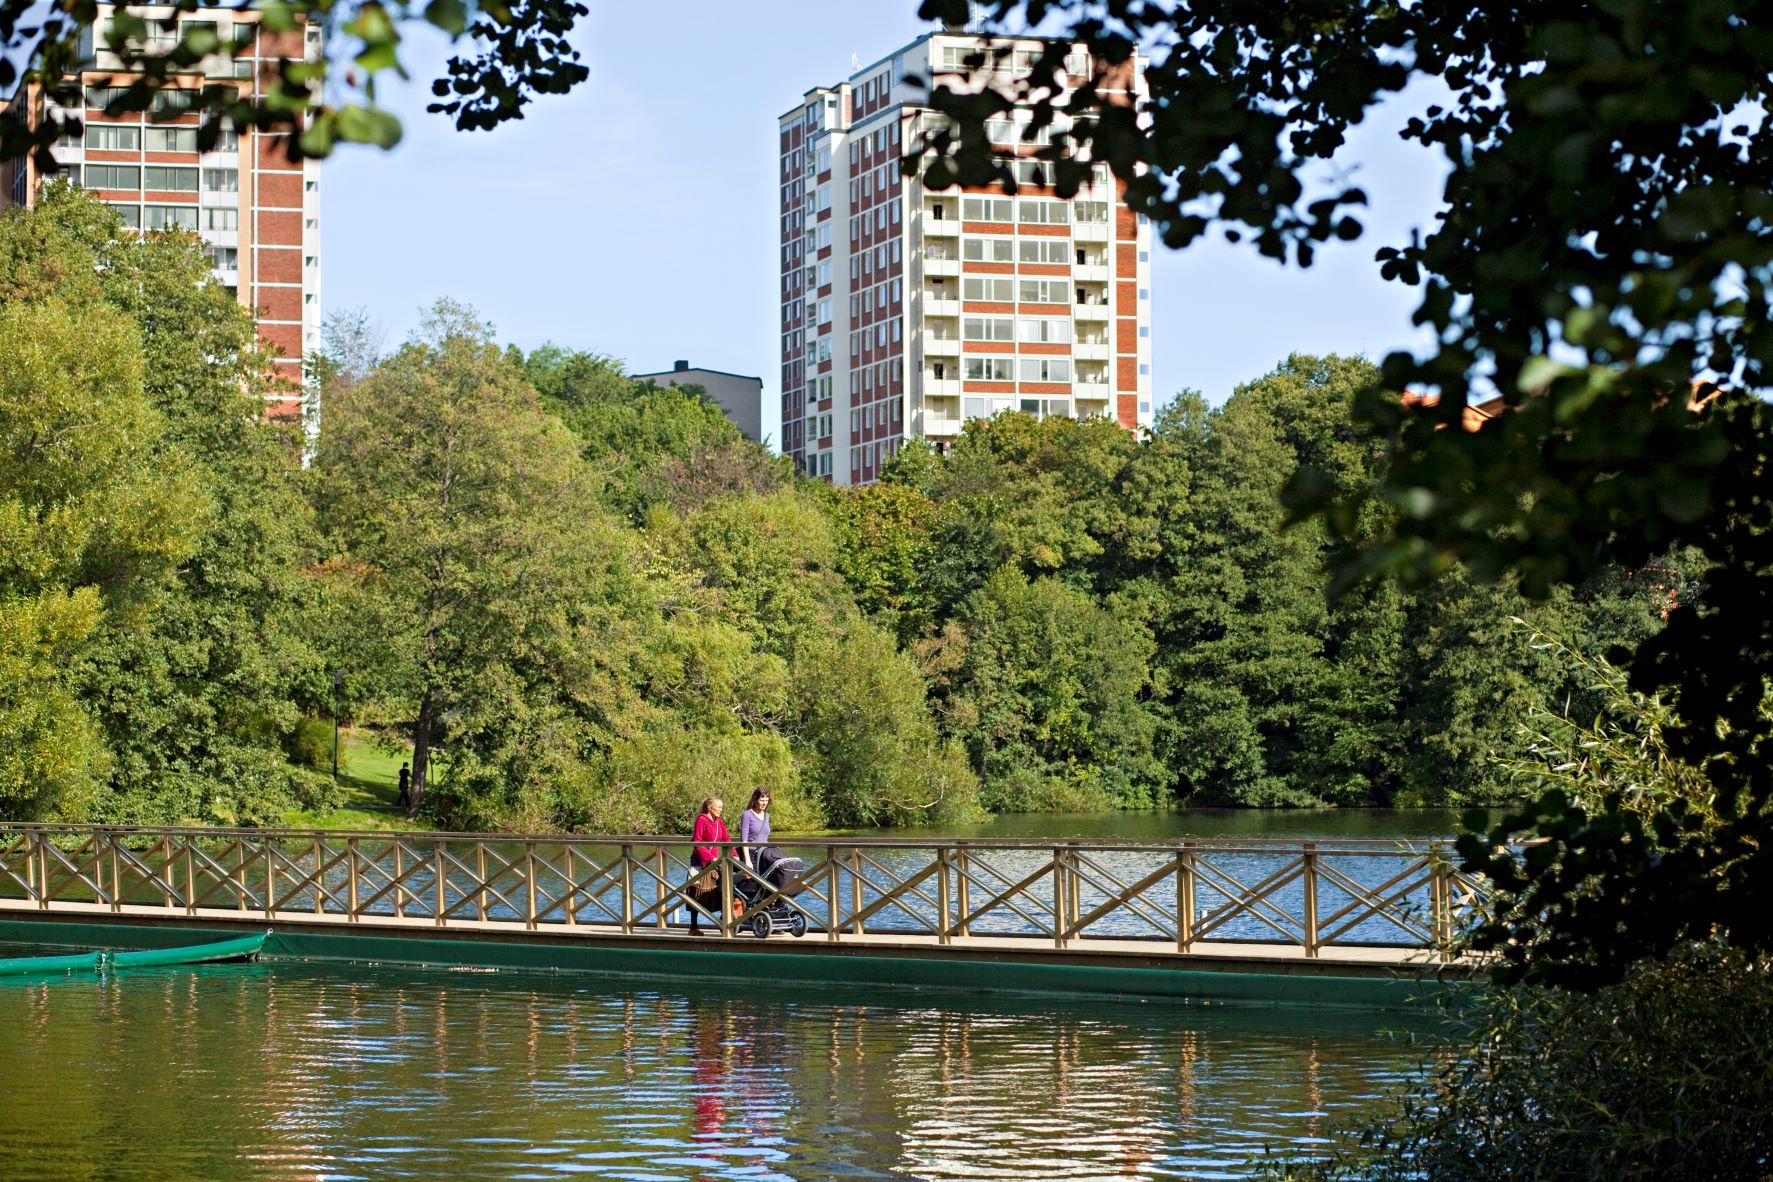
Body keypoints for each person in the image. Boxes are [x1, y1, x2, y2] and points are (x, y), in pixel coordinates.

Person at [688, 796, 728, 935]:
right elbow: (696, 842)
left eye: (721, 807)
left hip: (715, 862)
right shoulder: (701, 820)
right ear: (710, 807)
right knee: (696, 893)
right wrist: (709, 858)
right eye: (718, 807)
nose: (720, 810)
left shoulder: (719, 822)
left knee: (720, 891)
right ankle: (693, 927)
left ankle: (725, 924)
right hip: (700, 862)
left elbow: (726, 840)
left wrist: (734, 856)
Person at [740, 788, 772, 871]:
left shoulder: (767, 816)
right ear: (755, 800)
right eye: (762, 800)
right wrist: (747, 860)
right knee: (751, 881)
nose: (764, 803)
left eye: (766, 800)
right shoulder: (747, 814)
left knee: (764, 882)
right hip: (751, 854)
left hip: (764, 855)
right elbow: (744, 840)